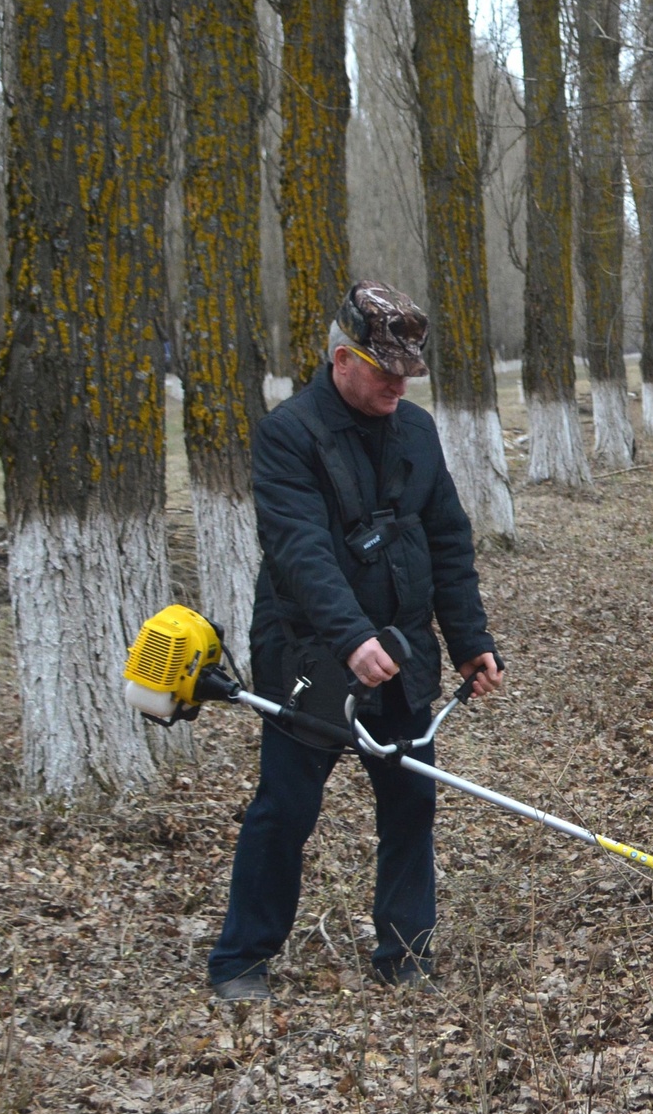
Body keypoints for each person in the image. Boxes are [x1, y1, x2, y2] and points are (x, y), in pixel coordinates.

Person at [206, 283, 503, 1000]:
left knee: (411, 806)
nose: (400, 385)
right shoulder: (288, 436)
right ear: (342, 359)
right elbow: (299, 552)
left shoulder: (418, 431)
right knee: (285, 809)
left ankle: (405, 955)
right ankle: (241, 962)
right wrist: (349, 640)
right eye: (385, 371)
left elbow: (447, 541)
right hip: (309, 656)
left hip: (403, 655)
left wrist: (469, 638)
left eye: (408, 373)